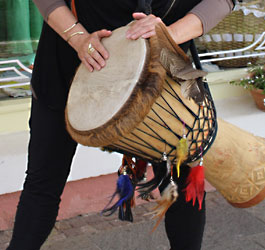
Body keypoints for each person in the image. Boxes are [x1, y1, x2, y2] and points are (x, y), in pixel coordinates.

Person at [7, 0, 235, 249]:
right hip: (68, 68)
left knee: (180, 184)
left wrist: (171, 34)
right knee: (43, 184)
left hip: (161, 73)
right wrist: (78, 39)